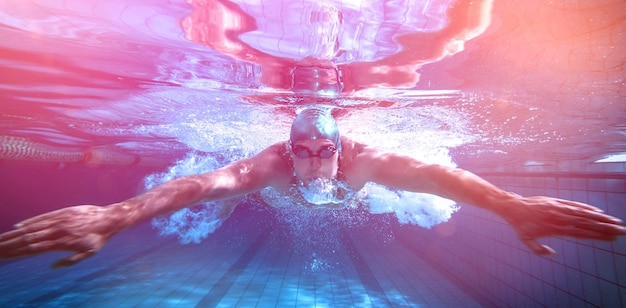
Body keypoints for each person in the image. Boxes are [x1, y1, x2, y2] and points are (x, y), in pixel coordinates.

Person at [1, 108, 624, 268]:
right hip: (263, 200)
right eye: (301, 151)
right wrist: (117, 214)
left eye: (324, 150)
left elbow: (441, 177)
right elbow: (196, 185)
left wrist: (512, 206)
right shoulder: (266, 170)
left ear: (340, 146)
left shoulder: (366, 163)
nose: (313, 162)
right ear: (287, 148)